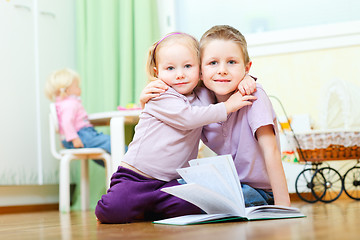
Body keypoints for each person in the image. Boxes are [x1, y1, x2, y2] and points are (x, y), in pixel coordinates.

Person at [95, 32, 257, 224]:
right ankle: (144, 205)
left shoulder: (203, 92)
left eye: (188, 66)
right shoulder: (160, 94)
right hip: (137, 177)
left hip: (172, 182)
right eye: (170, 68)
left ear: (200, 69)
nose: (180, 74)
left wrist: (247, 78)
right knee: (112, 210)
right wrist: (228, 106)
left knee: (199, 205)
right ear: (157, 72)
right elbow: (188, 118)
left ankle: (151, 207)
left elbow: (223, 82)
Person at [140, 25, 291, 208]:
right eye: (213, 63)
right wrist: (144, 101)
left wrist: (283, 205)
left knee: (185, 201)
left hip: (258, 190)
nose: (222, 70)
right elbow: (171, 121)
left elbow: (271, 151)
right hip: (229, 184)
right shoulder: (199, 101)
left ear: (247, 67)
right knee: (173, 191)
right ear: (200, 71)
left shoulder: (253, 96)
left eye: (232, 62)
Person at [45, 68, 111, 167]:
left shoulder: (62, 104)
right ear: (67, 90)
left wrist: (66, 139)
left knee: (103, 152)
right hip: (82, 135)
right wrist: (73, 138)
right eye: (77, 86)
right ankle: (132, 166)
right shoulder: (70, 104)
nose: (80, 89)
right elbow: (66, 122)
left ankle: (116, 167)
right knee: (110, 142)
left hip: (79, 136)